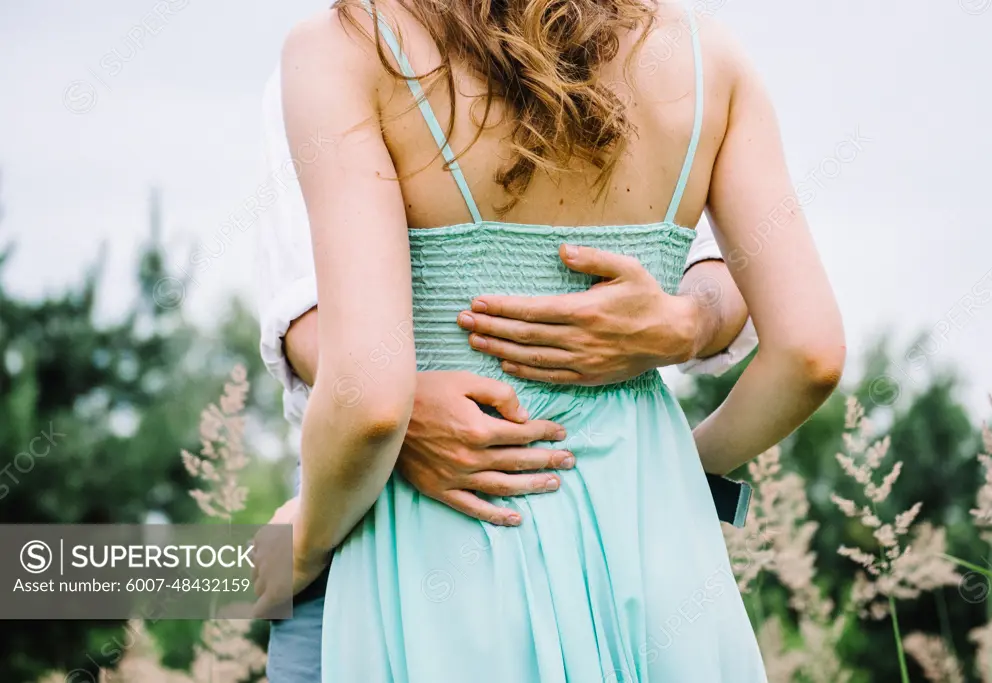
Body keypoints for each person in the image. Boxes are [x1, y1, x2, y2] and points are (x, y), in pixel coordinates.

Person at [255, 0, 844, 679]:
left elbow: (370, 401)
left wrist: (293, 549)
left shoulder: (347, 49)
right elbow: (811, 352)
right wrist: (676, 466)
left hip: (426, 538)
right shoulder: (709, 57)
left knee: (179, 578)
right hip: (650, 544)